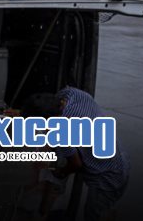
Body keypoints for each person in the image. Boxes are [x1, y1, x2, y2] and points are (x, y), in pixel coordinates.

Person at [21, 88, 129, 221]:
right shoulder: (71, 94)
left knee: (94, 215)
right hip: (119, 157)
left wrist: (61, 172)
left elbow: (75, 164)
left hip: (107, 176)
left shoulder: (61, 132)